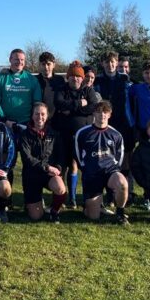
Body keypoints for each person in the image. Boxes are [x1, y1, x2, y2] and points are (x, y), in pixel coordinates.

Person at [73, 101, 130, 224]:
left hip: (110, 172)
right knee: (93, 217)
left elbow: (119, 156)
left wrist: (114, 168)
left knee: (122, 183)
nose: (102, 115)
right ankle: (90, 206)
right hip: (92, 175)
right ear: (94, 113)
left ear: (109, 115)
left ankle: (120, 213)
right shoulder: (83, 133)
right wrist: (86, 169)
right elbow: (78, 155)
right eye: (98, 112)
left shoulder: (116, 134)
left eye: (105, 112)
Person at [52, 61, 100, 208]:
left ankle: (74, 198)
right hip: (62, 134)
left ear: (82, 78)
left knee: (76, 165)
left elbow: (93, 107)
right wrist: (79, 104)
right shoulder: (61, 89)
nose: (75, 79)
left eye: (78, 76)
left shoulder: (88, 90)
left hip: (83, 136)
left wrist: (71, 109)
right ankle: (61, 196)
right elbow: (59, 104)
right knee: (62, 166)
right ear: (68, 77)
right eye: (72, 76)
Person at [16, 102, 67, 222]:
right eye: (37, 114)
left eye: (43, 114)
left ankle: (54, 212)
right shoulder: (24, 135)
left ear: (47, 115)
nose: (40, 117)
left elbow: (61, 155)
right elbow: (28, 159)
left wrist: (58, 168)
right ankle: (31, 204)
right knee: (36, 216)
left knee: (60, 188)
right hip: (31, 175)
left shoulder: (54, 134)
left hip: (48, 174)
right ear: (32, 116)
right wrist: (47, 167)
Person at [95, 51, 135, 200]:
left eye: (112, 62)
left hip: (124, 124)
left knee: (125, 159)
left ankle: (127, 192)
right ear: (103, 64)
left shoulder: (126, 80)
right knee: (107, 157)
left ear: (116, 63)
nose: (110, 65)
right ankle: (109, 194)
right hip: (106, 124)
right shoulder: (98, 81)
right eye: (107, 62)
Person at [0, 49, 43, 127]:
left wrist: (33, 120)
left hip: (27, 124)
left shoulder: (32, 79)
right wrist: (4, 120)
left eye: (22, 60)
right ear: (10, 60)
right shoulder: (0, 78)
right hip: (5, 123)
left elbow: (37, 102)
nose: (19, 62)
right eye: (16, 59)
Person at [34, 51, 64, 117]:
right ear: (39, 65)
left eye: (48, 64)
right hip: (39, 120)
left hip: (56, 119)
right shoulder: (34, 80)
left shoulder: (60, 80)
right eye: (43, 64)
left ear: (54, 65)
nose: (46, 67)